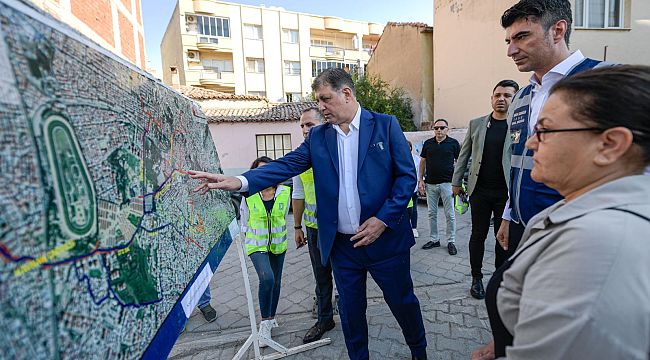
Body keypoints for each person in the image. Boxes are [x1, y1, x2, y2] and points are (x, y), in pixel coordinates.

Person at [189, 68, 427, 360]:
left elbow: (406, 178)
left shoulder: (385, 125)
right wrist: (241, 181)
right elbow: (286, 165)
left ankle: (419, 351)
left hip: (386, 241)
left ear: (347, 94)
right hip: (343, 247)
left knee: (403, 303)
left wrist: (383, 219)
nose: (321, 107)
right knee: (351, 315)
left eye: (325, 99)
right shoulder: (318, 137)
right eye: (318, 100)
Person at [472, 65, 650, 360]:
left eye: (544, 130)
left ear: (610, 145)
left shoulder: (596, 247)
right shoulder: (584, 206)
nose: (530, 143)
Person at [495, 0, 611, 256]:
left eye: (522, 37)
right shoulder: (523, 96)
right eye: (508, 41)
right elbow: (518, 164)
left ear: (558, 31)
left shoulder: (604, 81)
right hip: (521, 228)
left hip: (576, 237)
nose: (511, 50)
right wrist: (508, 214)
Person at [451, 80, 519, 300]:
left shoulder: (520, 125)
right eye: (497, 95)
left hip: (506, 194)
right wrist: (455, 181)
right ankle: (476, 277)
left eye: (507, 95)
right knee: (477, 235)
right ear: (491, 98)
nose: (501, 99)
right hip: (479, 191)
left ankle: (499, 279)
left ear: (515, 99)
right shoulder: (477, 124)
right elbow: (464, 155)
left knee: (503, 238)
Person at [291, 107, 337, 343]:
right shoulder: (301, 155)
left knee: (346, 275)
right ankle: (324, 319)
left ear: (323, 124)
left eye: (309, 124)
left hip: (340, 227)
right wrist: (297, 227)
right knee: (321, 276)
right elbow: (297, 193)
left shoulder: (336, 149)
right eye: (302, 125)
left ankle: (351, 317)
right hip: (314, 228)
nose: (305, 129)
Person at [239, 156, 291, 347]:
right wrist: (246, 238)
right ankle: (264, 324)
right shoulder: (249, 194)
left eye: (268, 170)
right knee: (267, 278)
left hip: (278, 244)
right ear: (254, 174)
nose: (265, 174)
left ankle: (271, 319)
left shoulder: (285, 192)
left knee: (276, 282)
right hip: (256, 245)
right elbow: (244, 219)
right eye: (260, 171)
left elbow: (284, 216)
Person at [418, 119, 460, 255]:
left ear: (447, 129)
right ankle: (434, 239)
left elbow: (459, 162)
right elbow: (422, 162)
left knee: (450, 214)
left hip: (447, 184)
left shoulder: (453, 144)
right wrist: (420, 180)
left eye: (442, 128)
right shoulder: (428, 144)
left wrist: (457, 182)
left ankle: (451, 241)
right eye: (436, 128)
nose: (439, 130)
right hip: (430, 184)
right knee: (431, 213)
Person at [406, 140, 421, 238]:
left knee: (413, 209)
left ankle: (414, 228)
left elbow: (420, 173)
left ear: (411, 148)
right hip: (403, 190)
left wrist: (420, 184)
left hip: (413, 189)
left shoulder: (417, 159)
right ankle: (405, 228)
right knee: (404, 210)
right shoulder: (398, 158)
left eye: (408, 147)